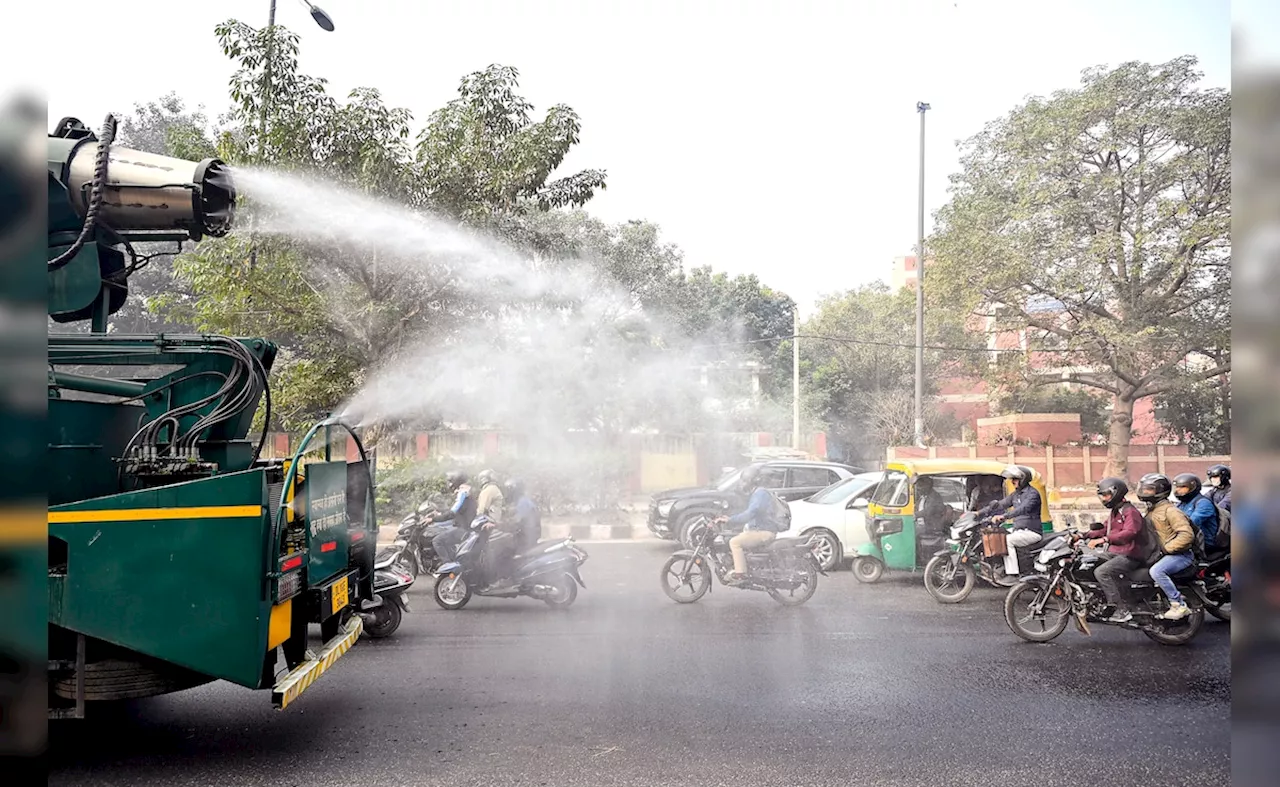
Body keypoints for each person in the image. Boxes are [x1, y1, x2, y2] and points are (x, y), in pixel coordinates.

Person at [1078, 477, 1148, 623]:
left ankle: (1119, 609)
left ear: (1116, 493)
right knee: (1090, 563)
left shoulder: (1130, 511)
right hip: (1117, 552)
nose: (1104, 499)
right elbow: (1104, 528)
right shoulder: (1116, 511)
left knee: (1102, 572)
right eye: (1102, 495)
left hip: (1131, 554)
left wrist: (1105, 540)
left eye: (1106, 495)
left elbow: (1130, 532)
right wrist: (1082, 535)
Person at [714, 464, 788, 584]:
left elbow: (751, 513)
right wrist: (731, 519)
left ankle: (740, 574)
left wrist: (730, 520)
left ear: (752, 481)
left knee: (735, 542)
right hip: (760, 530)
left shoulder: (760, 493)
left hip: (764, 532)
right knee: (735, 536)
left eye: (744, 481)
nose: (742, 484)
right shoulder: (758, 493)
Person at [1138, 472, 1197, 622]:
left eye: (1149, 489)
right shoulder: (1152, 510)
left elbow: (1186, 535)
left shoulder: (1171, 511)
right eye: (1144, 489)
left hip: (1180, 555)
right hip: (1163, 554)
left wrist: (1167, 548)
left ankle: (1179, 604)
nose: (1145, 492)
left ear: (1160, 490)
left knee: (1157, 571)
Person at [977, 465, 1044, 577]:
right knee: (997, 534)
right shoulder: (1016, 494)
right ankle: (999, 566)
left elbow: (1022, 509)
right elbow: (1000, 504)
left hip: (1031, 531)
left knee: (1007, 540)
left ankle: (1012, 574)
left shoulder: (1033, 494)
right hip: (1019, 530)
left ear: (1023, 479)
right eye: (1012, 479)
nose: (1012, 481)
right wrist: (978, 513)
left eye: (1015, 479)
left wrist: (1004, 516)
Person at [430, 470, 478, 562]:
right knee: (446, 537)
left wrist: (433, 519)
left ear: (455, 481)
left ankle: (449, 565)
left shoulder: (462, 493)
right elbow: (456, 509)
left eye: (450, 481)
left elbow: (452, 513)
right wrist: (440, 513)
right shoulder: (467, 491)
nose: (449, 484)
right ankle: (454, 560)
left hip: (464, 529)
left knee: (437, 541)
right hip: (467, 527)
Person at [1173, 473, 1218, 552]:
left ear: (1193, 488)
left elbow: (1191, 523)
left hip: (1204, 543)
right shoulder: (1182, 503)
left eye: (1183, 487)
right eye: (1177, 487)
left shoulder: (1203, 503)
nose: (1178, 490)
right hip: (1190, 540)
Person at [504, 477, 542, 553]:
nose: (507, 493)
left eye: (509, 490)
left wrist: (500, 525)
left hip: (526, 538)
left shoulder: (523, 503)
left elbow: (516, 521)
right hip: (529, 535)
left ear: (514, 490)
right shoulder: (524, 501)